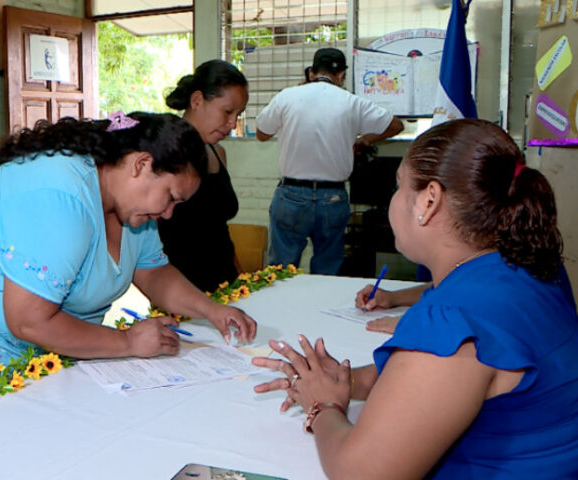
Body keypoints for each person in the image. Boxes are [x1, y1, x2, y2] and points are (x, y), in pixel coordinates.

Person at [252, 119, 578, 478]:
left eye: (398, 186)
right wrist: (349, 380)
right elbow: (445, 385)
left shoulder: (451, 317)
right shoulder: (531, 265)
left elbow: (362, 473)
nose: (393, 200)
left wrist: (323, 405)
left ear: (429, 200)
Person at [0, 112, 257, 393]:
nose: (168, 214)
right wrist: (128, 341)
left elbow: (153, 272)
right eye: (171, 197)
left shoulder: (133, 209)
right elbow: (29, 320)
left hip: (36, 343)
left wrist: (211, 309)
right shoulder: (61, 194)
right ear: (141, 165)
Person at [255, 47, 404, 275]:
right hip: (332, 198)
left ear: (312, 72)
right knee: (327, 268)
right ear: (342, 74)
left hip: (291, 195)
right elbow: (396, 125)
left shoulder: (287, 96)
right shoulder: (352, 102)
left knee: (280, 269)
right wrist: (364, 139)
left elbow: (262, 133)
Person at [158, 60, 249, 292]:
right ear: (197, 100)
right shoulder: (164, 154)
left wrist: (239, 276)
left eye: (238, 115)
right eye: (227, 112)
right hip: (181, 291)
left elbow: (219, 229)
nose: (232, 124)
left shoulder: (218, 153)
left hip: (226, 285)